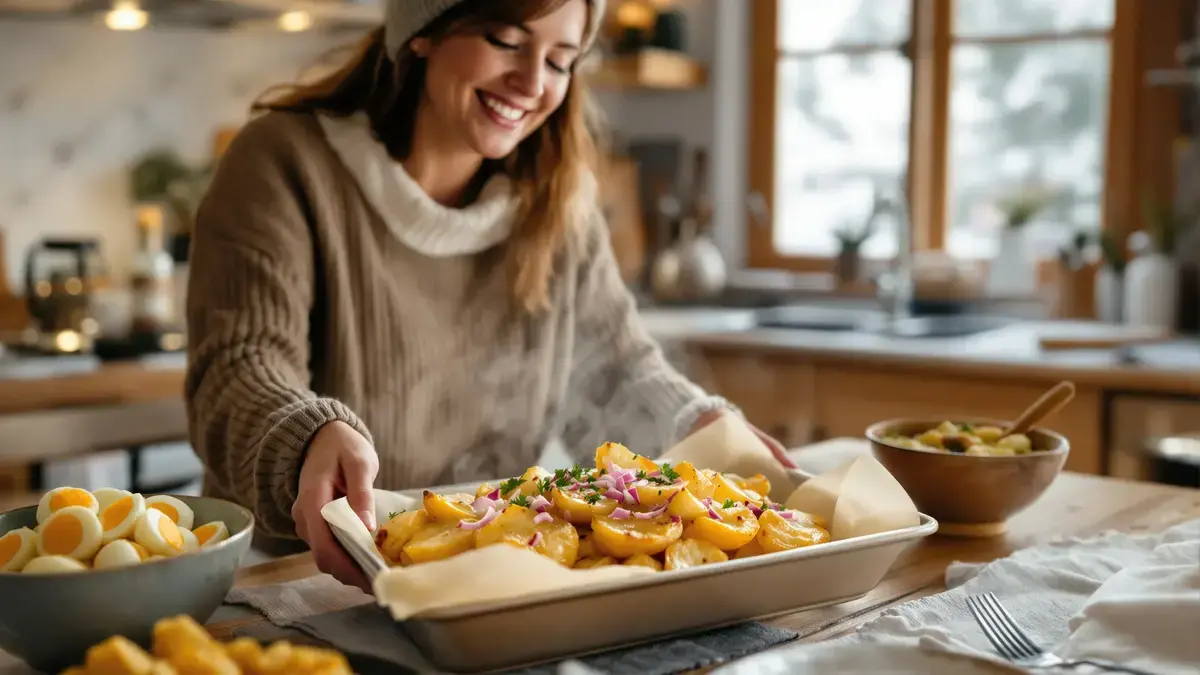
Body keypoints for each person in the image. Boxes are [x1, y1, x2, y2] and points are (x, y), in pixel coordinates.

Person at [184, 0, 793, 592]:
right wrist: (306, 437)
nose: (532, 82)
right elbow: (239, 366)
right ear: (424, 29)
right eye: (505, 41)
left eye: (560, 61)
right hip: (297, 581)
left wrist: (694, 420)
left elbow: (615, 363)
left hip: (495, 583)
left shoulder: (558, 195)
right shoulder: (282, 162)